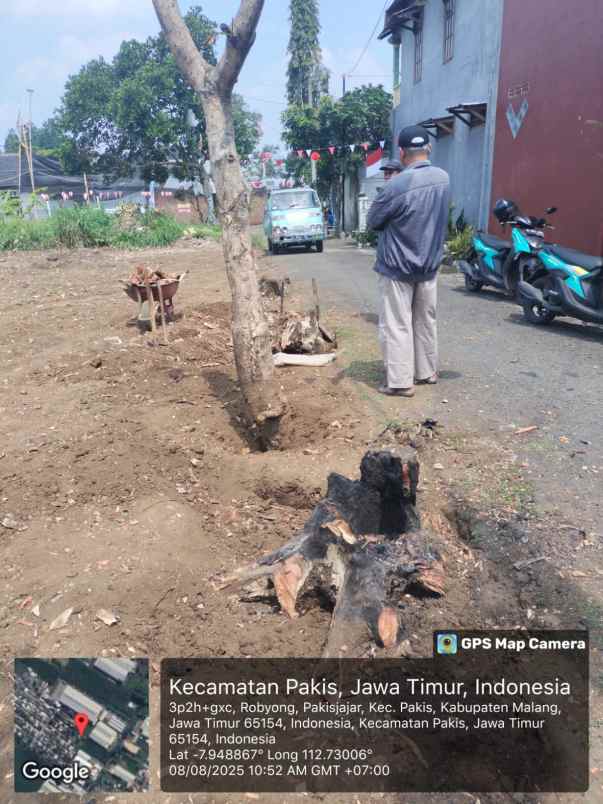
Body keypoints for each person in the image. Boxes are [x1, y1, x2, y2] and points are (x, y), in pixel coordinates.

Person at [367, 126, 450, 397]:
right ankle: (427, 372)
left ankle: (401, 382)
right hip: (428, 264)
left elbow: (373, 222)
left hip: (397, 266)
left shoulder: (396, 185)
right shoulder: (443, 178)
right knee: (426, 320)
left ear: (401, 153)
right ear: (428, 148)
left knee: (397, 324)